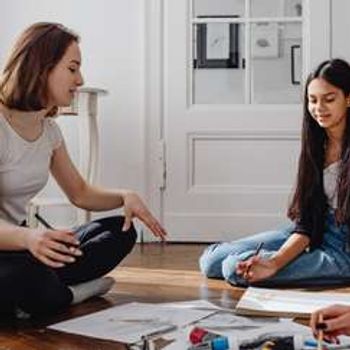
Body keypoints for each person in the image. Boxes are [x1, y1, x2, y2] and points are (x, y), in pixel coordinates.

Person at [0, 22, 167, 317]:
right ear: (42, 67)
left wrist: (125, 196)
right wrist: (28, 238)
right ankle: (66, 294)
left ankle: (35, 296)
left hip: (23, 247)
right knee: (23, 273)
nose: (80, 79)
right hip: (14, 247)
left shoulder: (49, 130)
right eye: (73, 68)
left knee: (120, 231)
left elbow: (80, 193)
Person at [200, 58, 350, 288]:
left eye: (329, 99)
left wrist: (273, 263)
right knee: (212, 261)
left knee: (233, 269)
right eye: (312, 100)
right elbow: (307, 222)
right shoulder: (317, 144)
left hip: (343, 251)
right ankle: (266, 257)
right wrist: (277, 260)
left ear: (348, 98)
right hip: (317, 229)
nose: (319, 108)